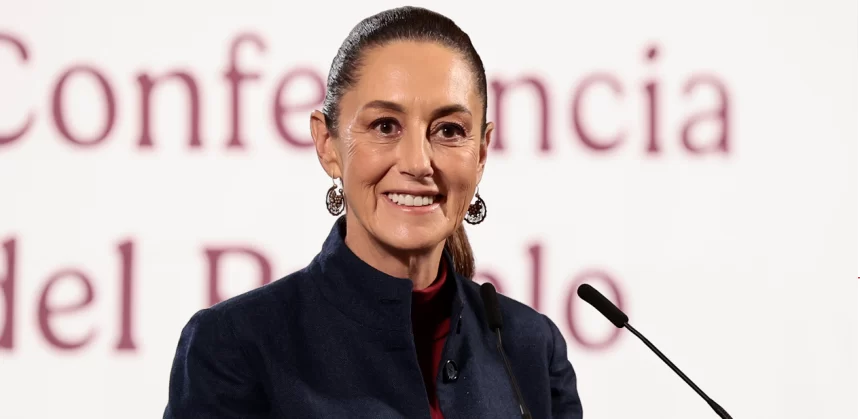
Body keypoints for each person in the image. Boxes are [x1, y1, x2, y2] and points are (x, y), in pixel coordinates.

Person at [163, 6, 583, 419]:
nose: (418, 162)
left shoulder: (531, 348)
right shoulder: (235, 345)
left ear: (481, 152)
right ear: (327, 144)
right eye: (385, 126)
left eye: (449, 130)